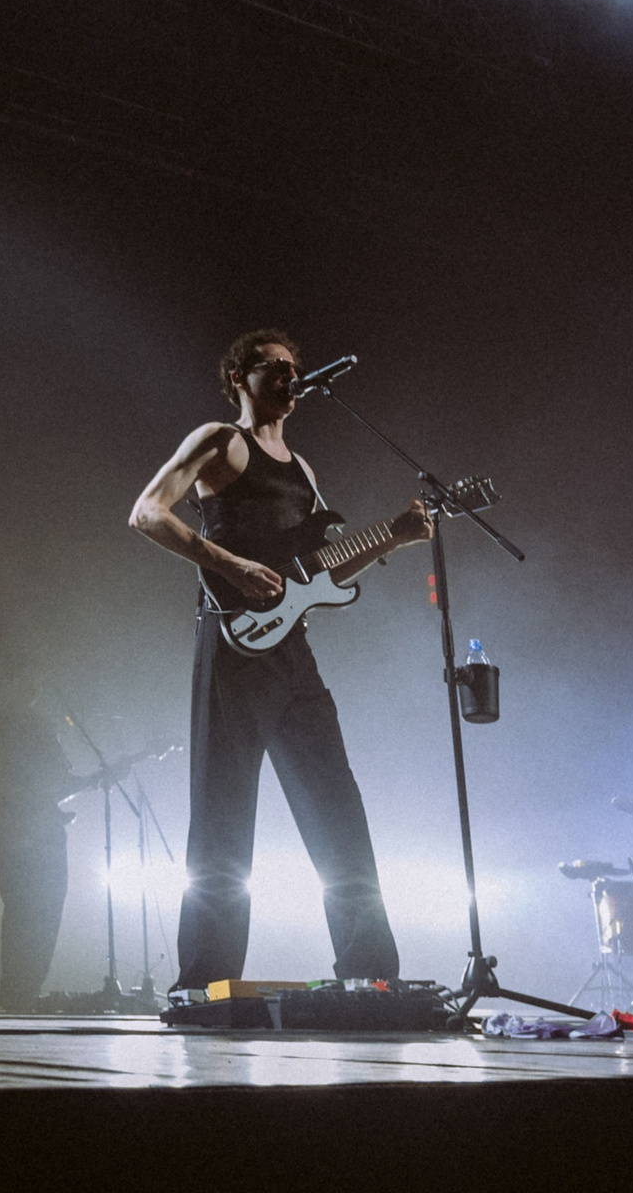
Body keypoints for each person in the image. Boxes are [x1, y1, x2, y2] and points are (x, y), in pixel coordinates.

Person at [128, 328, 431, 990]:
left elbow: (320, 573)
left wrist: (394, 539)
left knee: (337, 807)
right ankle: (204, 979)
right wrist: (228, 563)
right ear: (241, 376)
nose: (292, 376)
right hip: (231, 644)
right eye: (276, 366)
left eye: (296, 367)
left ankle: (370, 973)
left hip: (293, 655)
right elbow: (147, 513)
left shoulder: (304, 470)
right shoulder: (220, 441)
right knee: (223, 814)